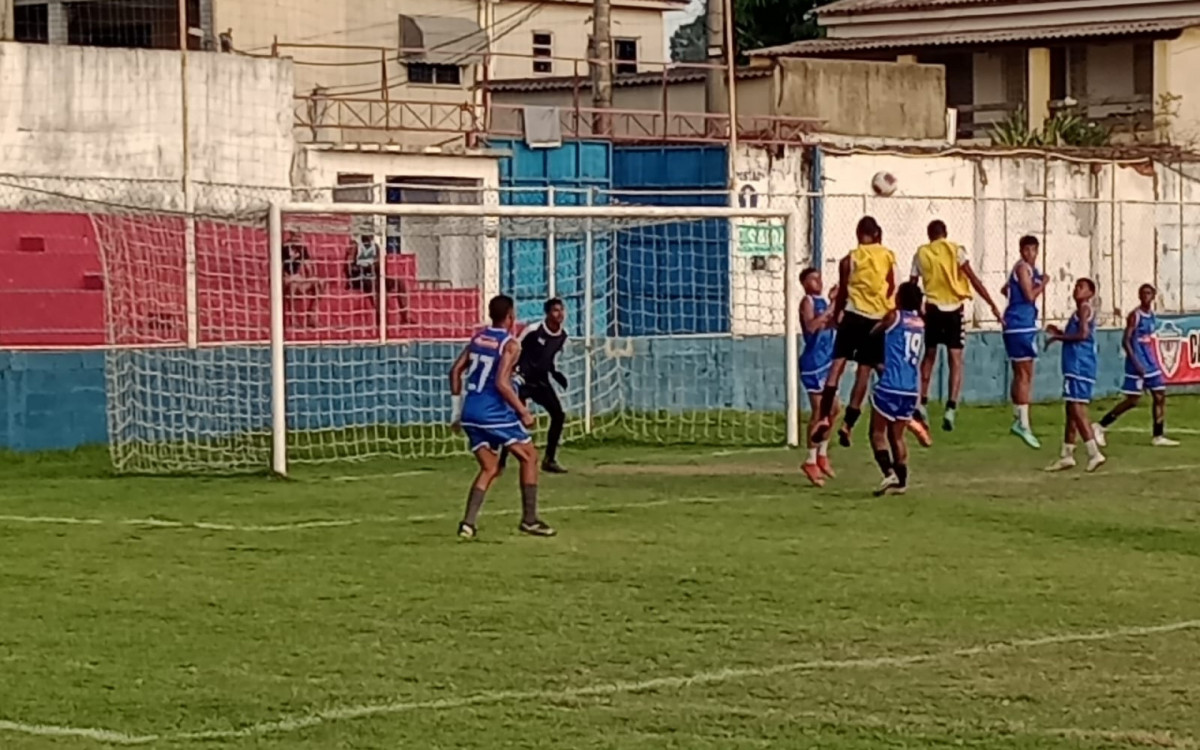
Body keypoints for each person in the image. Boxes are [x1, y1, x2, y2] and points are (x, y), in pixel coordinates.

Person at [814, 217, 929, 448]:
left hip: (854, 316)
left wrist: (837, 316)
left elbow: (844, 291)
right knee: (870, 370)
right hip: (877, 318)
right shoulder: (888, 256)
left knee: (836, 368)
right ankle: (909, 414)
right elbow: (893, 286)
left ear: (858, 235)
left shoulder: (849, 259)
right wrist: (891, 311)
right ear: (878, 235)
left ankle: (825, 417)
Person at [449, 294, 556, 539]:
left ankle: (468, 523)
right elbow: (501, 383)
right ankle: (529, 520)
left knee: (490, 467)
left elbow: (455, 370)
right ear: (510, 316)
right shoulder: (510, 344)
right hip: (492, 412)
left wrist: (456, 413)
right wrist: (523, 411)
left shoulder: (478, 338)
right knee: (530, 457)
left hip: (470, 412)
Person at [910, 220, 1004, 432]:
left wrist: (916, 312)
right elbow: (973, 279)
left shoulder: (920, 254)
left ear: (929, 235)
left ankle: (922, 403)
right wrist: (992, 305)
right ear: (946, 233)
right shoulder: (956, 251)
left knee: (929, 356)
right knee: (956, 359)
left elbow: (911, 287)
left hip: (932, 309)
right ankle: (951, 408)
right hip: (954, 310)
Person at [1093, 284, 1180, 448]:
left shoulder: (1152, 316)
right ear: (1139, 296)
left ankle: (1158, 435)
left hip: (1150, 360)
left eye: (1149, 293)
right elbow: (1126, 340)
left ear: (1153, 296)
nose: (1146, 296)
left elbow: (1147, 339)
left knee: (1160, 395)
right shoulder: (1135, 315)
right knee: (1133, 400)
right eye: (1143, 293)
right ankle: (1101, 425)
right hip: (1137, 362)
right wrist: (1135, 362)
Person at [868, 281, 926, 497]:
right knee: (898, 437)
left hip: (890, 384)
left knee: (876, 432)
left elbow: (874, 331)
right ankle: (901, 483)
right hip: (911, 388)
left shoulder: (894, 317)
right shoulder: (920, 323)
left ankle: (888, 472)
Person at [501, 298, 571, 473]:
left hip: (541, 381)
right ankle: (500, 460)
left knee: (558, 415)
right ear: (547, 313)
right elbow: (514, 347)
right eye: (555, 310)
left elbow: (549, 358)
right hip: (522, 379)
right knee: (513, 417)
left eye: (561, 310)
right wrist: (510, 372)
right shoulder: (533, 330)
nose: (560, 314)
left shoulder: (563, 336)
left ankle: (550, 459)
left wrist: (556, 374)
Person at [1044, 278, 1105, 473]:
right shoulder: (1080, 312)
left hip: (1079, 364)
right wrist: (1060, 332)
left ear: (1090, 293)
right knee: (1071, 407)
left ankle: (1094, 452)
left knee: (1077, 408)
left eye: (1081, 287)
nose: (1076, 290)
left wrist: (1058, 338)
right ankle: (1066, 454)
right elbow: (1079, 333)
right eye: (1075, 286)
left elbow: (1083, 335)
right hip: (1080, 364)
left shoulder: (1084, 309)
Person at [1002, 235, 1048, 449]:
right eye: (1026, 250)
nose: (1030, 253)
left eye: (1033, 250)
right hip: (1021, 324)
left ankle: (1017, 416)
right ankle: (1023, 423)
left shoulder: (1026, 270)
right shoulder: (1023, 269)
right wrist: (1044, 284)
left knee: (1020, 372)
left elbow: (1006, 289)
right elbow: (1030, 296)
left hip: (1018, 323)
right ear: (1021, 251)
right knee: (1025, 373)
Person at [799, 269, 839, 486]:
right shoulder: (808, 301)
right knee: (820, 410)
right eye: (812, 278)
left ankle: (822, 453)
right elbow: (812, 327)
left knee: (834, 409)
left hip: (827, 361)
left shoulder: (824, 301)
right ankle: (811, 460)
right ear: (804, 283)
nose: (818, 281)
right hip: (813, 363)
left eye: (819, 277)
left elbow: (831, 325)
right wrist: (832, 307)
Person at [346, 234, 411, 325]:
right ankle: (380, 320)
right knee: (376, 287)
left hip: (375, 276)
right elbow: (349, 267)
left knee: (400, 283)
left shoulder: (376, 247)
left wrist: (376, 265)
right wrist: (364, 267)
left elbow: (380, 264)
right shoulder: (355, 246)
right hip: (361, 278)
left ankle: (405, 317)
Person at [282, 232, 322, 328]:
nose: (299, 240)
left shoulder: (302, 249)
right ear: (292, 237)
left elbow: (308, 267)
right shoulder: (284, 249)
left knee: (320, 283)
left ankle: (311, 315)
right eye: (297, 237)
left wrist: (310, 278)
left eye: (300, 237)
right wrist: (290, 277)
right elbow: (279, 268)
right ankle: (293, 320)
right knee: (293, 285)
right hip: (285, 278)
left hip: (297, 277)